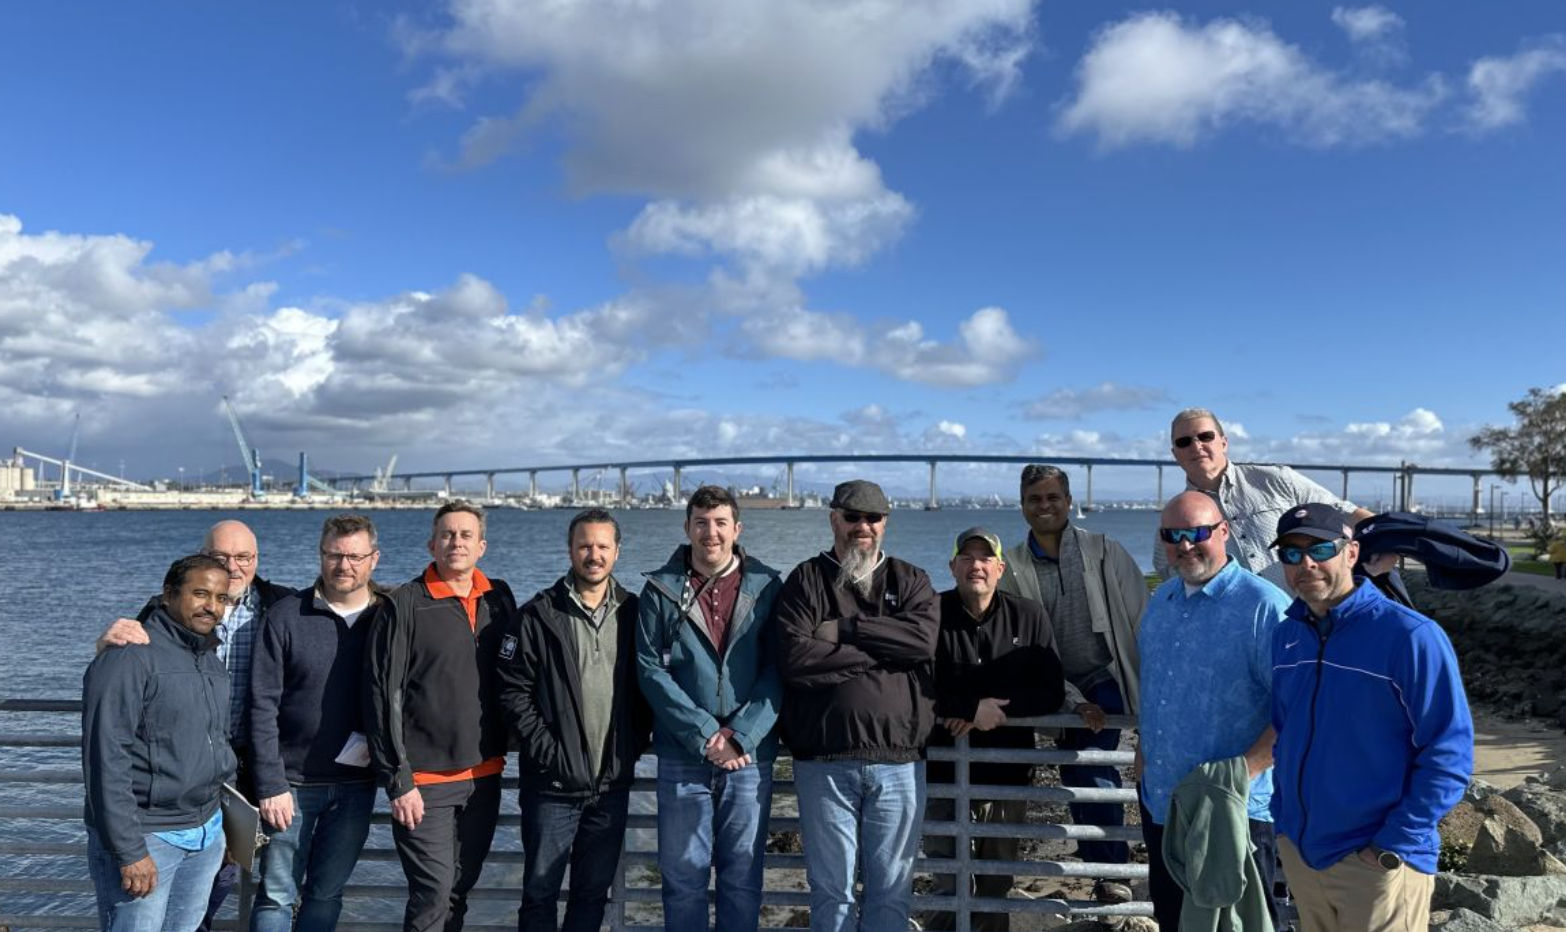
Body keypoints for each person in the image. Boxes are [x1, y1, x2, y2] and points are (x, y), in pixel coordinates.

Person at [1271, 503, 1474, 932]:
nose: (1306, 564)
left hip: (1377, 862)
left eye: (1320, 549)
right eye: (1291, 554)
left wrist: (1391, 845)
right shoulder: (1287, 635)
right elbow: (1286, 735)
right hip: (1305, 856)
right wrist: (1284, 824)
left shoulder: (1410, 636)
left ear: (1350, 553)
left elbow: (1449, 756)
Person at [97, 519, 292, 931]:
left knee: (209, 890)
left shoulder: (278, 608)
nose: (233, 567)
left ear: (257, 560)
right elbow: (110, 743)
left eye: (244, 558)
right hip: (158, 808)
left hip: (225, 791)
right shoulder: (151, 629)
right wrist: (104, 648)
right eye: (221, 558)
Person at [774, 479, 940, 932]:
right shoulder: (805, 580)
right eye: (852, 516)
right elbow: (796, 659)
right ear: (834, 519)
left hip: (900, 763)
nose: (862, 526)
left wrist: (843, 631)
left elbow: (922, 642)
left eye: (873, 517)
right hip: (823, 762)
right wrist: (884, 651)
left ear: (886, 522)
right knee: (831, 892)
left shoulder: (912, 580)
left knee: (892, 890)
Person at [1138, 491, 1291, 931]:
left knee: (1246, 924)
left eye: (1197, 533)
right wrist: (1145, 753)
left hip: (1235, 811)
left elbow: (1293, 706)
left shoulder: (1264, 605)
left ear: (1223, 531)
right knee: (1174, 921)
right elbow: (1155, 687)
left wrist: (1244, 772)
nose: (1185, 545)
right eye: (1173, 535)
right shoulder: (1161, 602)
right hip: (1163, 805)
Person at [495, 508, 652, 932]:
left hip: (610, 787)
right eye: (585, 545)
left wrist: (631, 747)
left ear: (617, 551)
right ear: (569, 549)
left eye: (603, 546)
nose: (593, 555)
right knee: (539, 896)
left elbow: (650, 689)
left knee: (591, 898)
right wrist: (552, 755)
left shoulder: (636, 613)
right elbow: (512, 693)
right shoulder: (537, 616)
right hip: (552, 787)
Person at [635, 486, 783, 932]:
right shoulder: (659, 591)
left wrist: (741, 734)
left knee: (742, 878)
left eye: (720, 523)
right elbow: (649, 670)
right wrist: (703, 733)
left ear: (737, 529)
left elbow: (781, 668)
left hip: (749, 757)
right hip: (683, 755)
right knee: (683, 878)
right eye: (701, 522)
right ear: (687, 528)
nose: (711, 533)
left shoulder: (768, 587)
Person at [996, 464, 1145, 903]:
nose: (1044, 506)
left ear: (1068, 501)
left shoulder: (1104, 551)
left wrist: (1149, 686)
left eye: (1052, 497)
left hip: (1106, 675)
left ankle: (1112, 870)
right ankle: (1104, 867)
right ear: (1022, 506)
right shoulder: (1013, 566)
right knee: (1074, 765)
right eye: (1034, 499)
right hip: (1053, 682)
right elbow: (1018, 639)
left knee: (1091, 761)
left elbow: (1139, 616)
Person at [364, 501, 514, 932]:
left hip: (483, 775)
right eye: (447, 534)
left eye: (466, 535)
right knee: (431, 893)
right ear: (432, 543)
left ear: (481, 546)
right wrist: (398, 778)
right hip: (424, 784)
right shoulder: (404, 604)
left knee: (458, 891)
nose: (456, 543)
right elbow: (382, 693)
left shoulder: (498, 597)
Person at [83, 554, 237, 931]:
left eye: (220, 598)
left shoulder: (210, 660)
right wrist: (129, 850)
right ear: (168, 595)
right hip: (149, 836)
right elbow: (106, 758)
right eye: (200, 593)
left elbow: (214, 743)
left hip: (206, 833)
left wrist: (224, 830)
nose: (211, 606)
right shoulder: (130, 657)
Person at [249, 514, 386, 932]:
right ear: (321, 556)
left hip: (356, 785)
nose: (344, 565)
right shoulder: (286, 616)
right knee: (275, 895)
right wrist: (270, 783)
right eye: (334, 555)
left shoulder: (390, 617)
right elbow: (261, 704)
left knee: (327, 894)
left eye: (354, 556)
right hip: (290, 786)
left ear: (373, 560)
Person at [924, 527, 1065, 931]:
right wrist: (968, 707)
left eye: (986, 559)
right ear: (952, 567)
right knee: (947, 881)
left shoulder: (1029, 615)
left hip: (1008, 772)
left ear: (1001, 568)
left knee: (995, 882)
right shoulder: (931, 613)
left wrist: (996, 710)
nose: (976, 566)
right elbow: (915, 683)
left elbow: (1051, 690)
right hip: (942, 771)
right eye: (966, 558)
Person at [1155, 408, 1371, 588]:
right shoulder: (1176, 516)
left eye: (1205, 437)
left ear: (1224, 442)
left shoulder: (1276, 479)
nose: (1196, 446)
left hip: (1302, 618)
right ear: (1175, 454)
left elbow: (1344, 513)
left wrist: (1388, 539)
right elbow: (1169, 573)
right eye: (1184, 442)